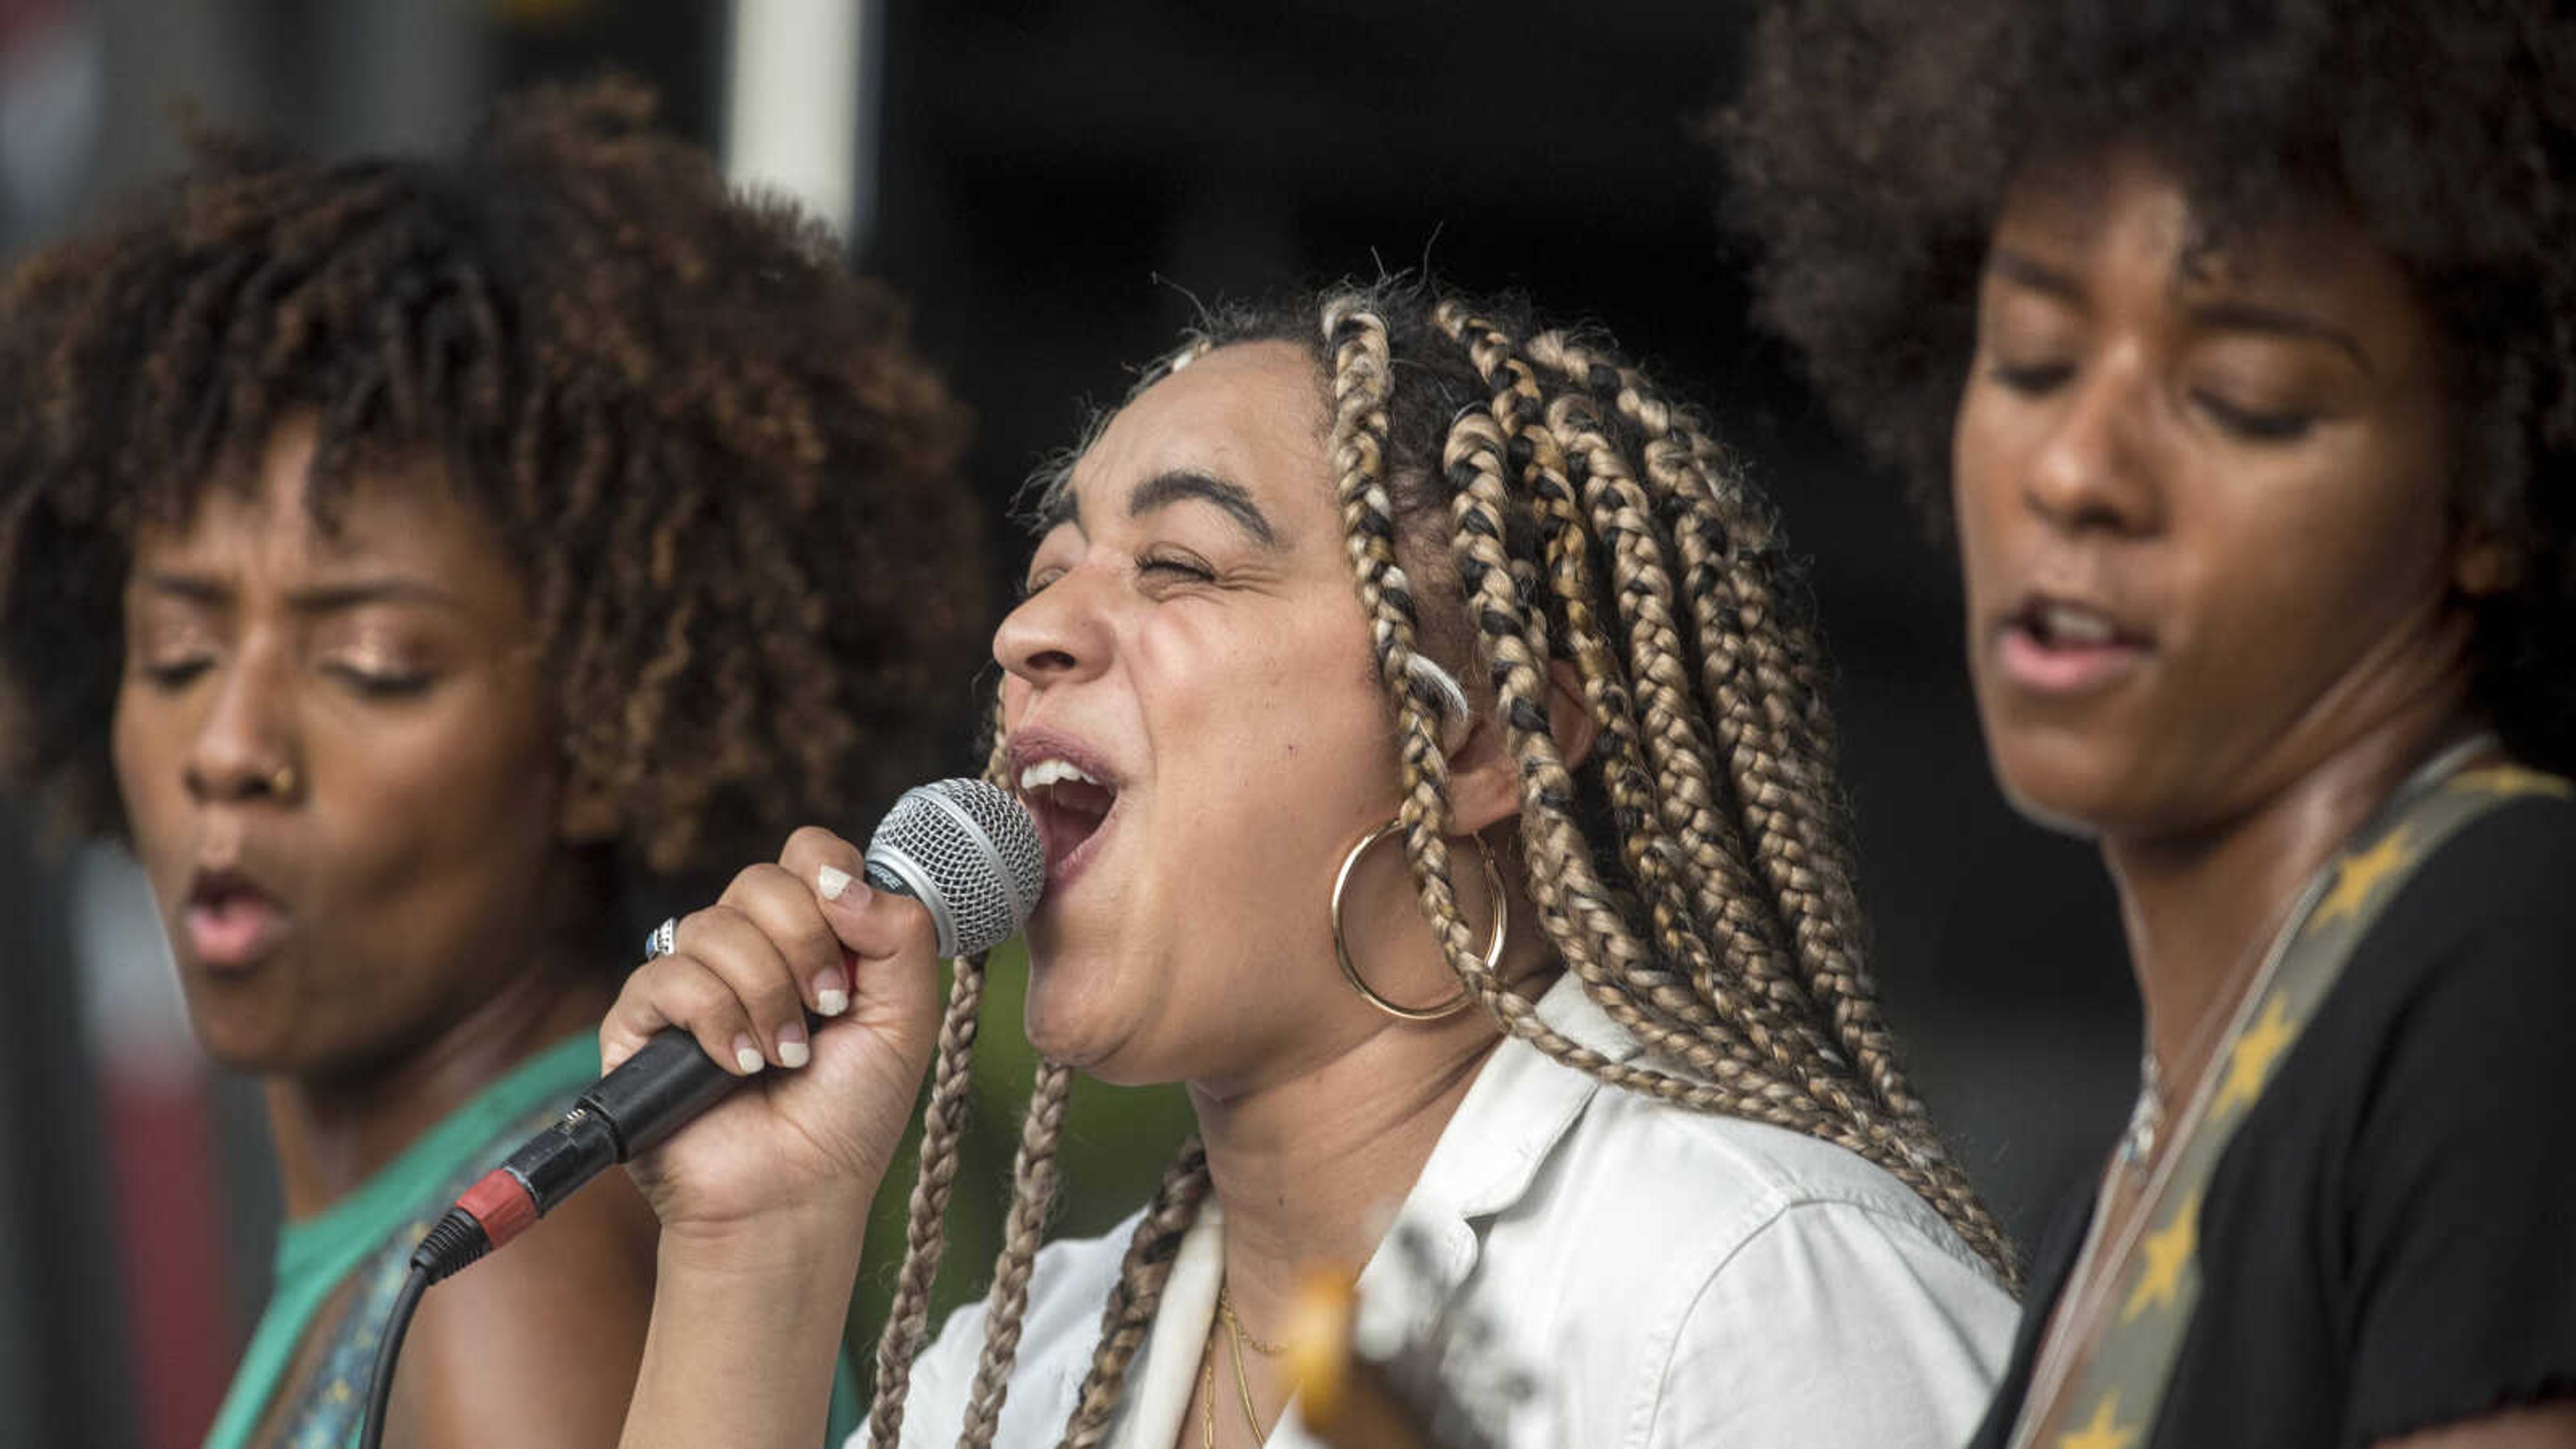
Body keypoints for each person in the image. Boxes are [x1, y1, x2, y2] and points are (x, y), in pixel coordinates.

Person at [604, 278, 2021, 1449]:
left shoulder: (1744, 1284)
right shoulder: (1024, 1371)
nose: (1028, 638)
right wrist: (756, 1252)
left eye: (1183, 568)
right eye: (1049, 575)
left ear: (1478, 741)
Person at [0, 80, 979, 1448]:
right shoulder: (437, 1240)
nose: (227, 750)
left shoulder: (514, 1284)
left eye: (376, 666)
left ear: (603, 729)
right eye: (174, 654)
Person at [1723, 1, 2576, 1444]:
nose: (2076, 471)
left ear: (2493, 487)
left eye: (2241, 400)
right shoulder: (2121, 1182)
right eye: (2037, 363)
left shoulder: (2508, 945)